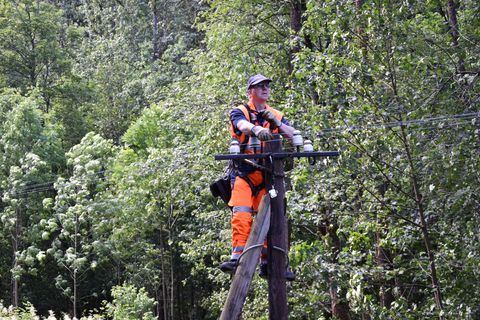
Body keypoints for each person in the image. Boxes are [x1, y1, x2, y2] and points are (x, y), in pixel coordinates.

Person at [219, 74, 295, 280]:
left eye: (267, 86)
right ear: (250, 91)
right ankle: (237, 257)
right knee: (242, 214)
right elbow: (242, 126)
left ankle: (268, 261)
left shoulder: (275, 113)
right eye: (259, 86)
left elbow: (292, 135)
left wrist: (275, 122)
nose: (265, 89)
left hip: (267, 175)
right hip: (244, 173)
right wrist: (257, 129)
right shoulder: (239, 111)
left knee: (271, 220)